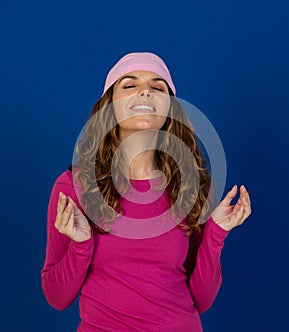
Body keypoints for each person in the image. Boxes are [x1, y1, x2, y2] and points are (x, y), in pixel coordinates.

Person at [41, 52, 252, 332]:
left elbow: (201, 299)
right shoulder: (73, 187)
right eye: (129, 85)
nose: (145, 91)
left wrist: (216, 233)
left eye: (158, 86)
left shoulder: (189, 186)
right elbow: (57, 297)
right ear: (109, 106)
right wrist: (81, 246)